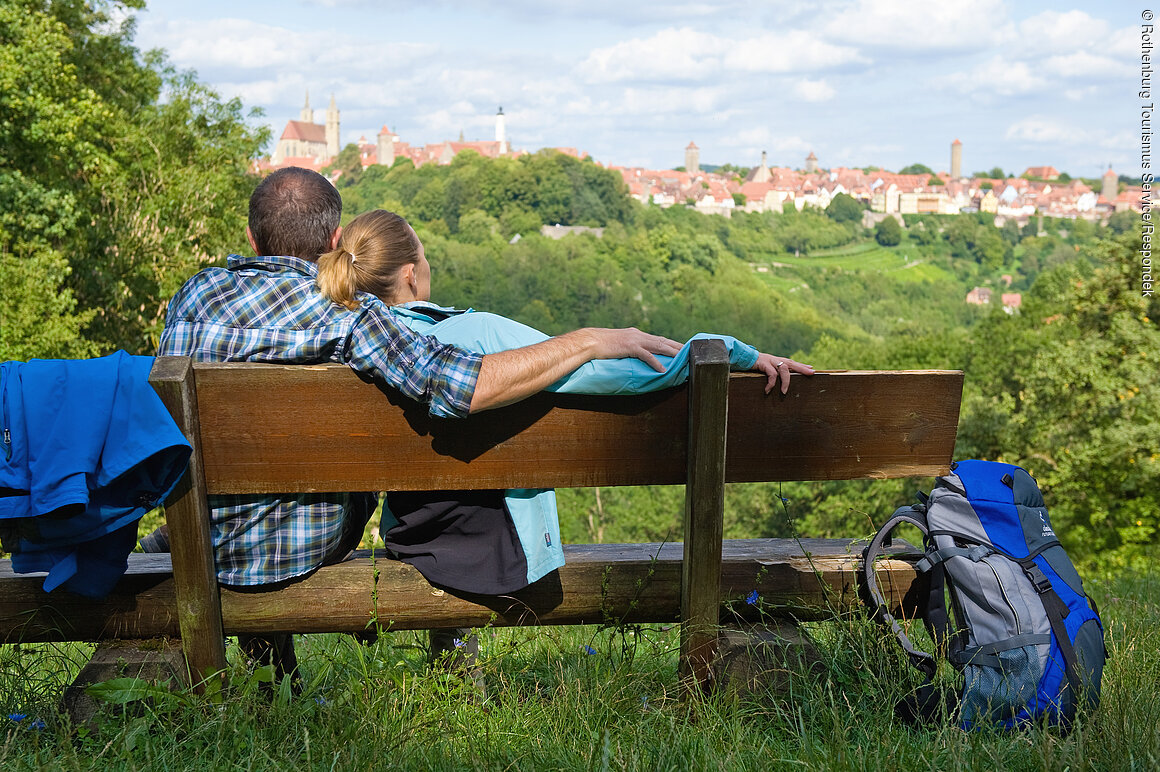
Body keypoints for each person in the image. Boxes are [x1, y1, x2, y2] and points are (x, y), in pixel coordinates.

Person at [153, 167, 689, 684]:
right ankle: (388, 671)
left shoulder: (191, 298)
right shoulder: (348, 312)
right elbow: (461, 386)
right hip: (302, 546)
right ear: (335, 238)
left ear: (251, 237)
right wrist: (588, 340)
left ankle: (266, 676)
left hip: (203, 537)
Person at [312, 208, 812, 599]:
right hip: (491, 549)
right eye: (424, 257)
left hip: (410, 537)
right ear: (409, 276)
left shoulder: (343, 343)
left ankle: (453, 681)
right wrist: (735, 352)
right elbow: (629, 378)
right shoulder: (481, 334)